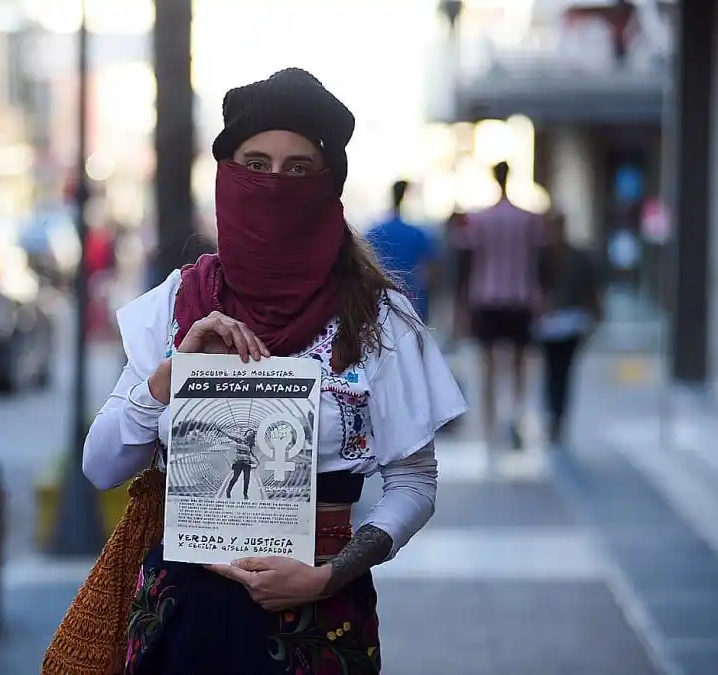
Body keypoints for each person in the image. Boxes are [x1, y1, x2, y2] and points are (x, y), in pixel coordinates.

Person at [80, 68, 466, 675]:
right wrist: (171, 375)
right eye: (254, 164)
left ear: (328, 184)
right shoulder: (175, 306)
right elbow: (101, 467)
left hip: (320, 618)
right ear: (225, 177)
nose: (275, 184)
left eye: (298, 168)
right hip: (184, 623)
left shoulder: (376, 319)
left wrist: (326, 576)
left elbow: (414, 484)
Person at [453, 161, 544, 450]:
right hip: (519, 296)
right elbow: (537, 260)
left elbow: (466, 264)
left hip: (486, 296)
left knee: (488, 365)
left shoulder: (478, 220)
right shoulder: (527, 218)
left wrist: (461, 305)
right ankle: (515, 416)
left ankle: (491, 425)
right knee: (519, 364)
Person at [535, 210, 603, 447]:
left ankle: (558, 418)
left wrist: (594, 314)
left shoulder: (575, 256)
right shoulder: (542, 256)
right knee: (553, 371)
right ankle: (554, 416)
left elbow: (590, 288)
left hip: (571, 321)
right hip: (550, 324)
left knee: (562, 371)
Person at [365, 180, 442, 323]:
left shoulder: (374, 232)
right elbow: (432, 270)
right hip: (413, 299)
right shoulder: (417, 233)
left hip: (379, 300)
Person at [224, 428, 259, 500]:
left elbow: (251, 454)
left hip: (247, 463)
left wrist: (256, 460)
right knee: (235, 478)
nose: (250, 433)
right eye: (249, 432)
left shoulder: (250, 444)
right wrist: (220, 431)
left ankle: (245, 494)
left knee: (247, 479)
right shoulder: (239, 440)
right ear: (246, 433)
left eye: (252, 433)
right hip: (238, 463)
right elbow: (229, 435)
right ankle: (228, 490)